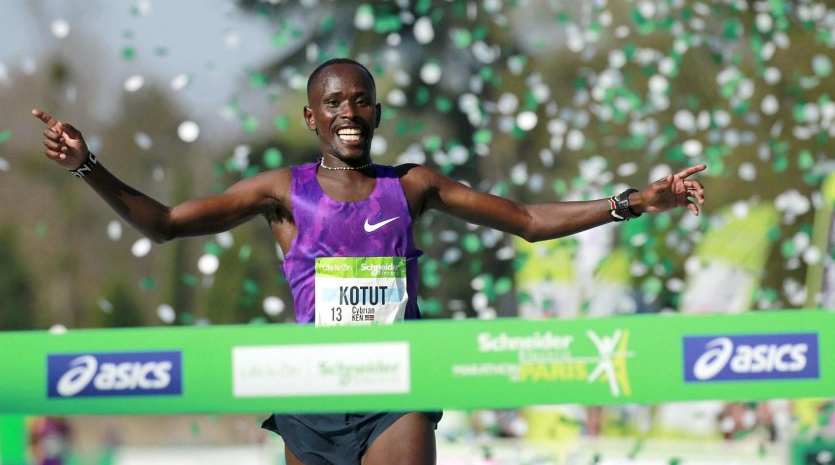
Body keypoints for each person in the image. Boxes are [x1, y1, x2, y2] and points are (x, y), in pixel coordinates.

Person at [33, 58, 706, 465]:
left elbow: (527, 221)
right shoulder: (280, 191)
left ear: (377, 112)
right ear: (312, 117)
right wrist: (88, 165)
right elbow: (168, 224)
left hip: (396, 388)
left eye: (360, 100)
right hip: (309, 395)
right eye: (334, 102)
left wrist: (634, 200)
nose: (348, 111)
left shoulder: (412, 185)